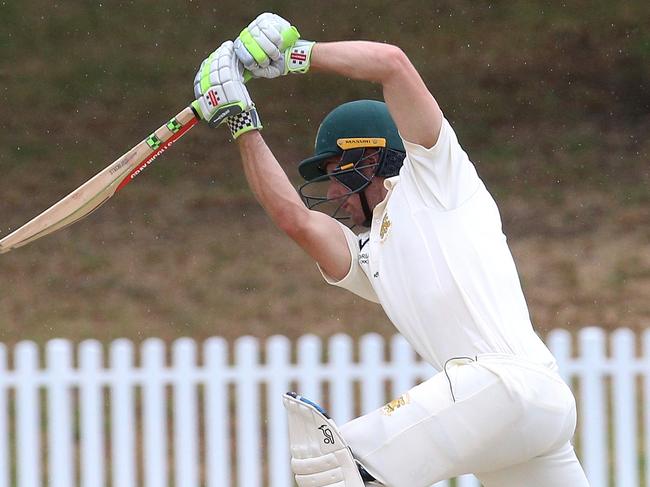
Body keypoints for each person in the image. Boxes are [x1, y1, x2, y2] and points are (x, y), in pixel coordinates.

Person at [192, 12, 590, 487]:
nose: (332, 192)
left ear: (370, 156)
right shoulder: (370, 257)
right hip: (517, 420)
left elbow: (392, 64)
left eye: (337, 172)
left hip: (506, 388)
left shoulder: (437, 178)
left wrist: (298, 56)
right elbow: (294, 218)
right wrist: (242, 124)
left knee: (331, 468)